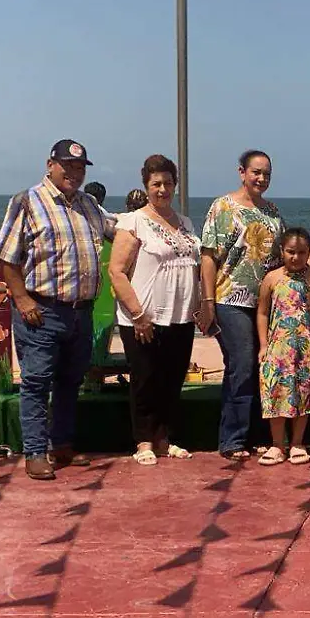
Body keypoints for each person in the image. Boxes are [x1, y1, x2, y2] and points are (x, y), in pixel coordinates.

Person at [0, 139, 115, 480]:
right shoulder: (27, 201)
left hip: (81, 311)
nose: (73, 173)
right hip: (41, 311)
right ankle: (35, 451)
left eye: (79, 168)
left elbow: (119, 231)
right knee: (36, 382)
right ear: (50, 165)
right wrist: (22, 300)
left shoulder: (90, 205)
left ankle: (61, 444)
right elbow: (7, 257)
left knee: (69, 381)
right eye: (67, 166)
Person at [108, 155, 200, 466]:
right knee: (145, 379)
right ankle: (144, 440)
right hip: (144, 318)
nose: (163, 189)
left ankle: (164, 438)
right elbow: (117, 272)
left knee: (172, 379)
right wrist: (138, 314)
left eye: (168, 183)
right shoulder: (133, 222)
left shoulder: (185, 223)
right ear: (146, 186)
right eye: (156, 184)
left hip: (180, 316)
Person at [196, 150, 286, 460]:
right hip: (229, 300)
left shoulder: (273, 213)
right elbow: (208, 256)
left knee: (264, 366)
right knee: (242, 363)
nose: (261, 179)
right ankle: (232, 439)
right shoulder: (222, 208)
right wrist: (207, 301)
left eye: (267, 174)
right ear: (242, 172)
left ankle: (260, 435)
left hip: (266, 306)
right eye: (256, 172)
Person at [256, 228, 310, 466]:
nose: (295, 257)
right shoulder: (272, 278)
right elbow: (261, 312)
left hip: (307, 349)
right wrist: (263, 345)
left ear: (308, 252)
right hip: (278, 350)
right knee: (277, 395)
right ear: (282, 251)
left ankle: (298, 443)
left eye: (301, 252)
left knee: (303, 396)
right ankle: (278, 445)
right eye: (290, 252)